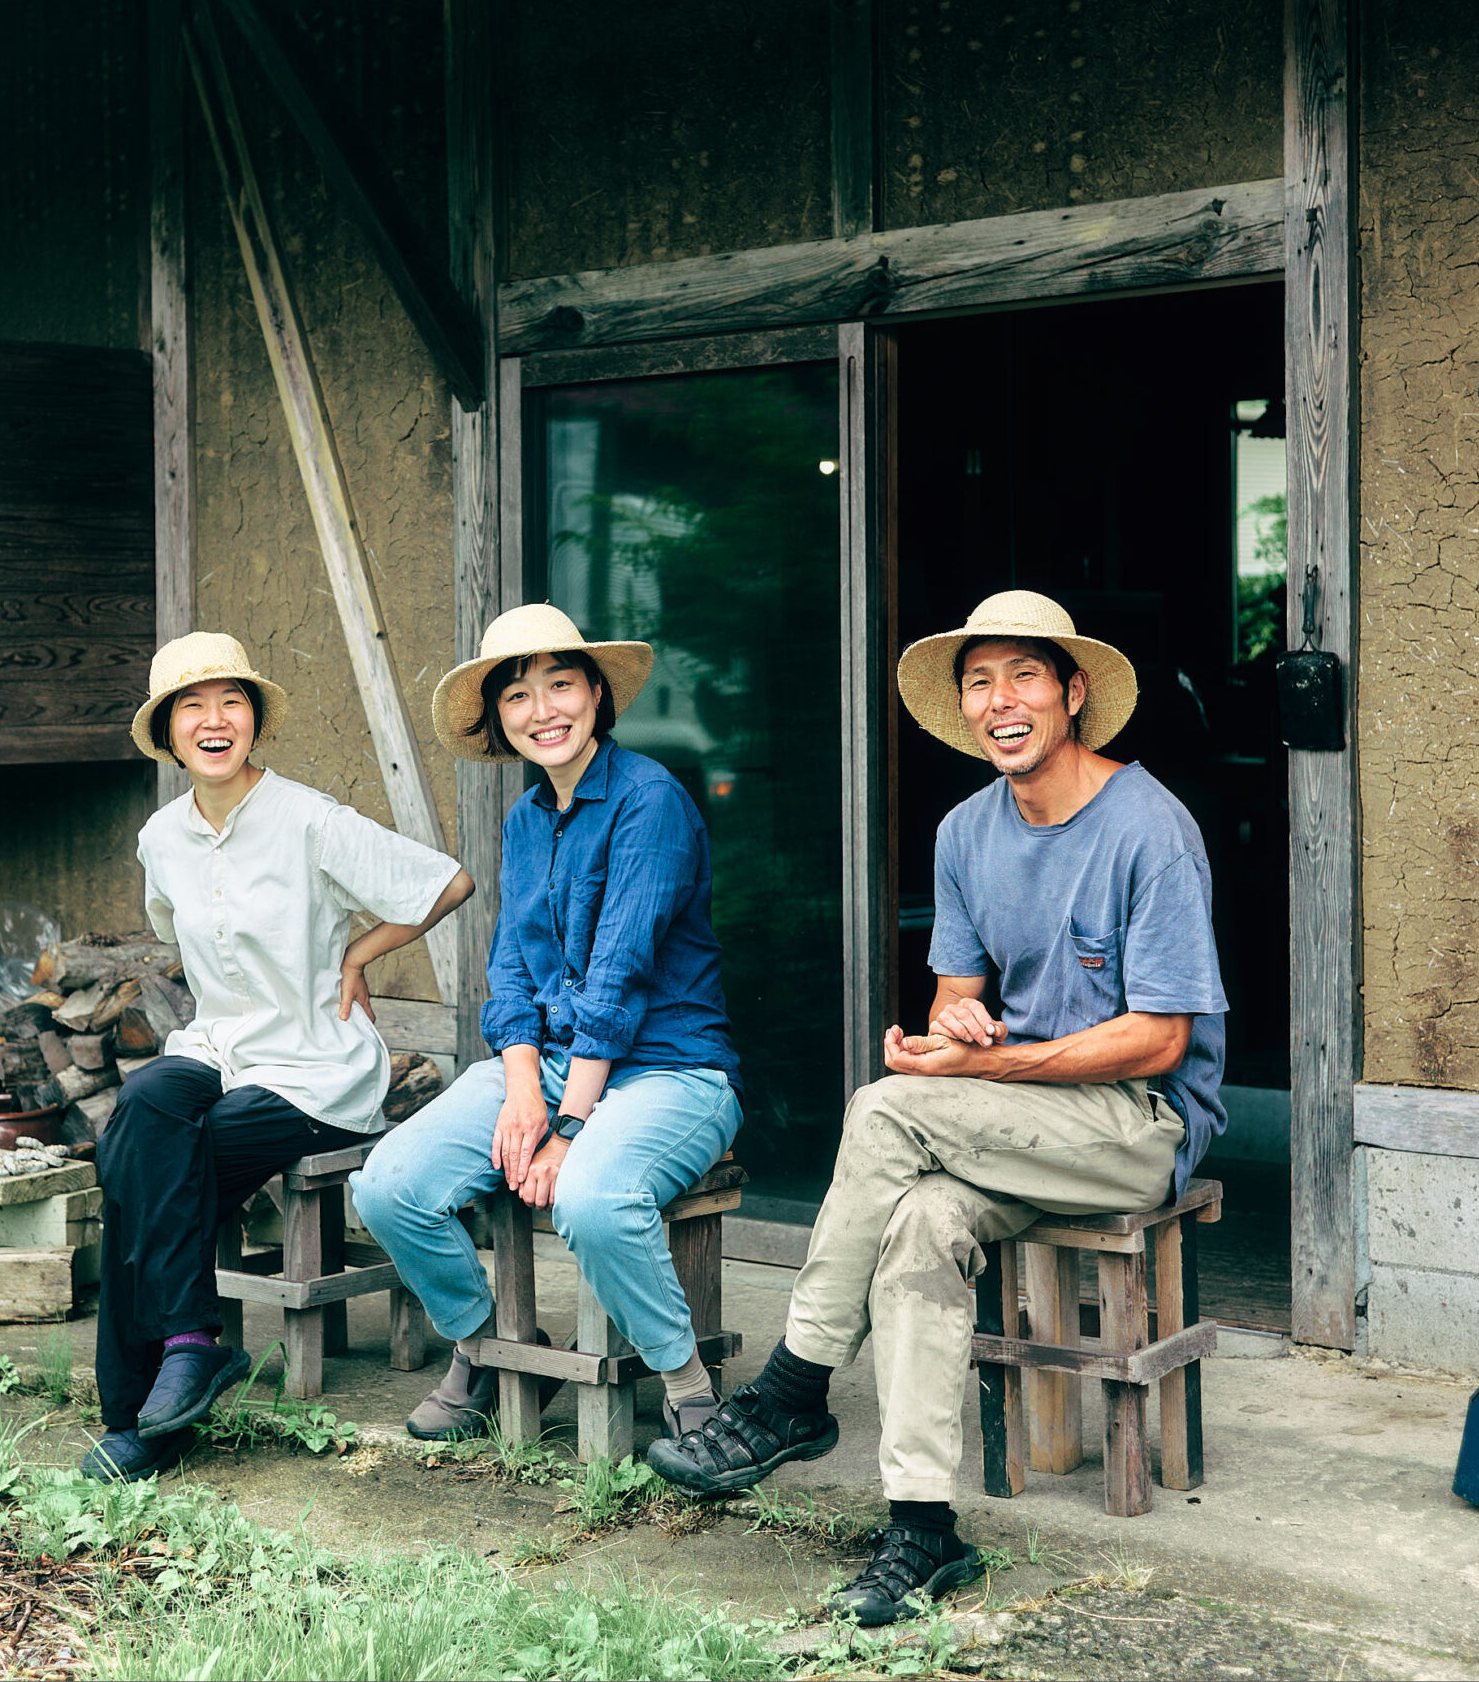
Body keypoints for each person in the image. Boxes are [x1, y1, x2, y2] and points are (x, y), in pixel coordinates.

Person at [647, 591, 1228, 1625]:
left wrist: (974, 1076)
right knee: (918, 1222)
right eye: (978, 681)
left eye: (1022, 676)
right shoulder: (966, 832)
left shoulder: (1149, 827)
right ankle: (923, 1529)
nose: (999, 701)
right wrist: (945, 1042)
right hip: (1022, 1124)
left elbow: (1162, 1036)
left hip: (1134, 1125)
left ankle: (789, 1392)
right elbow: (955, 999)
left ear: (1072, 692)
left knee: (882, 1112)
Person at [81, 631, 473, 1482]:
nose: (214, 720)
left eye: (231, 702)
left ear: (254, 721)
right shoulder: (161, 837)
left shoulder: (310, 819)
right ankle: (190, 1348)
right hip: (220, 1045)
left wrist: (360, 955)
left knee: (135, 1164)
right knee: (144, 1113)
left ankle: (141, 1414)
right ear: (169, 730)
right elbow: (170, 924)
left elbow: (448, 881)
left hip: (312, 1062)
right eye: (193, 705)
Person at [353, 604, 744, 1446]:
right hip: (558, 1063)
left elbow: (620, 975)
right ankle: (489, 1345)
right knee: (388, 1185)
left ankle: (686, 1383)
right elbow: (513, 974)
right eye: (519, 696)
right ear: (500, 719)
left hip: (673, 1070)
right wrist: (525, 1091)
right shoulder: (528, 820)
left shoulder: (650, 801)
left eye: (560, 685)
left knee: (595, 1199)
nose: (543, 711)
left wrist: (566, 1127)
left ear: (598, 695)